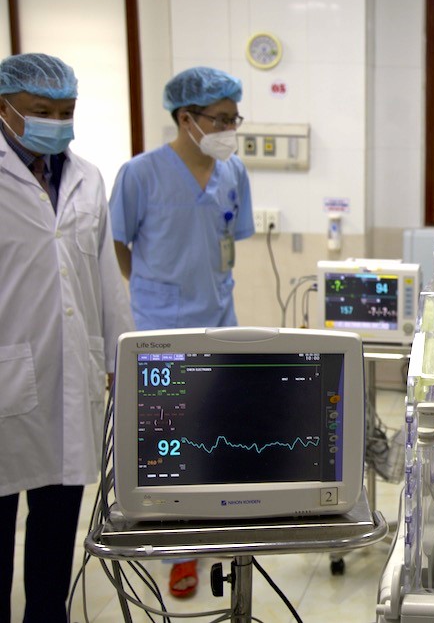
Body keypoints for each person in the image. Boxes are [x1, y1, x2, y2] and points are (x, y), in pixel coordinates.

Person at [108, 66, 254, 598]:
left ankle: (220, 521)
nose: (229, 128)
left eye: (234, 118)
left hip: (220, 316)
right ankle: (178, 549)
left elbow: (231, 239)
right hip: (160, 323)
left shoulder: (233, 172)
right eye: (220, 118)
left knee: (220, 428)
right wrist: (154, 291)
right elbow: (118, 247)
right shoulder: (140, 174)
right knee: (170, 442)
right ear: (185, 117)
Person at [0, 53, 133, 623]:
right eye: (40, 111)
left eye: (66, 110)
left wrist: (122, 354)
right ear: (5, 108)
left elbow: (104, 275)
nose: (56, 120)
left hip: (72, 378)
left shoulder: (86, 177)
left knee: (56, 530)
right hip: (6, 379)